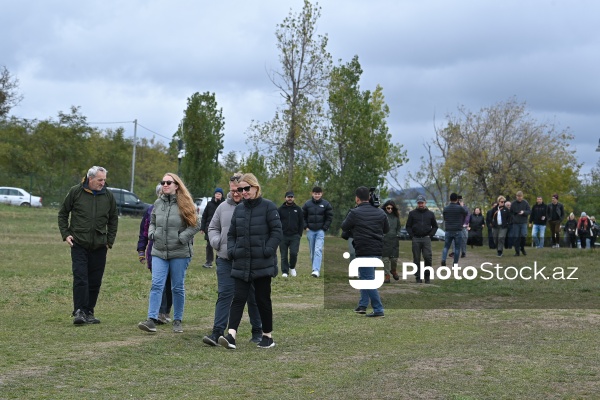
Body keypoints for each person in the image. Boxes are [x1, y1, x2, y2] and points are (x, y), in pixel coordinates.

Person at [218, 173, 282, 349]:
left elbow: (277, 232)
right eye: (240, 189)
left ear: (256, 188)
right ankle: (231, 336)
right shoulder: (239, 209)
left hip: (262, 263)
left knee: (262, 299)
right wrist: (232, 251)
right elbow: (232, 234)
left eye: (247, 188)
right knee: (238, 298)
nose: (244, 192)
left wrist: (267, 250)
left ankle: (267, 336)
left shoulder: (269, 207)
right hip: (241, 261)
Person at [202, 173, 263, 346]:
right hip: (225, 258)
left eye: (238, 190)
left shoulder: (253, 207)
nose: (235, 193)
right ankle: (216, 332)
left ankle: (257, 331)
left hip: (248, 260)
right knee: (225, 294)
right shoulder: (222, 207)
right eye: (232, 190)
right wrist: (216, 241)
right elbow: (212, 227)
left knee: (252, 296)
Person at [138, 173, 201, 334]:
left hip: (179, 252)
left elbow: (196, 224)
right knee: (156, 284)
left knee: (177, 287)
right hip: (159, 251)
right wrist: (152, 233)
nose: (165, 185)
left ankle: (177, 320)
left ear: (176, 185)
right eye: (163, 182)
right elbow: (151, 222)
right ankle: (151, 319)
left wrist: (182, 237)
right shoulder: (158, 203)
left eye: (168, 182)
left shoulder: (185, 203)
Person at [58, 166, 119, 325]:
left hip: (100, 245)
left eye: (104, 180)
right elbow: (63, 213)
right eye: (100, 180)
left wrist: (109, 241)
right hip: (79, 243)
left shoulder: (108, 195)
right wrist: (66, 234)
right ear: (90, 179)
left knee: (95, 280)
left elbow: (113, 219)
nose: (103, 183)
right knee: (80, 278)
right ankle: (79, 311)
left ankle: (89, 311)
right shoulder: (75, 192)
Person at [342, 186, 389, 317]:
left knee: (368, 280)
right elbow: (386, 229)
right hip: (377, 249)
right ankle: (362, 305)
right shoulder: (380, 212)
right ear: (369, 197)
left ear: (357, 198)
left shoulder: (355, 212)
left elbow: (344, 226)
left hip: (363, 249)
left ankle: (378, 309)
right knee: (365, 277)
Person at [137, 183, 172, 324]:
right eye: (160, 192)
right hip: (155, 251)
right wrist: (141, 249)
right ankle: (158, 312)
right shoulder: (151, 210)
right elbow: (144, 232)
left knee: (170, 284)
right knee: (158, 283)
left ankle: (166, 310)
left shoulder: (177, 209)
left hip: (173, 251)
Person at [405, 195, 438, 284]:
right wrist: (412, 235)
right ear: (417, 203)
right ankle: (418, 277)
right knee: (416, 259)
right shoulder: (412, 213)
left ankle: (427, 276)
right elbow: (408, 226)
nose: (420, 205)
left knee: (428, 257)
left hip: (426, 239)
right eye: (419, 203)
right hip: (416, 238)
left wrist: (430, 235)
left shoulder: (430, 214)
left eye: (422, 203)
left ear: (425, 203)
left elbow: (435, 226)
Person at [302, 186, 333, 278]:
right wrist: (305, 227)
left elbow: (329, 217)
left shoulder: (326, 204)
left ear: (321, 194)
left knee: (318, 250)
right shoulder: (307, 204)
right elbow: (302, 216)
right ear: (312, 194)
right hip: (310, 231)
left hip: (320, 231)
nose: (317, 195)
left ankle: (316, 270)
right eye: (315, 194)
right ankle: (314, 268)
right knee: (312, 252)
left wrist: (324, 228)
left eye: (319, 194)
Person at [278, 191, 304, 278]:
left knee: (293, 253)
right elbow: (277, 222)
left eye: (291, 197)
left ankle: (292, 267)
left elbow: (301, 222)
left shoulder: (298, 209)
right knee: (283, 255)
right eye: (288, 197)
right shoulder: (280, 209)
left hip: (295, 235)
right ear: (285, 198)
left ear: (293, 198)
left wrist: (299, 234)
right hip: (283, 235)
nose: (290, 198)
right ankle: (285, 271)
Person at [440, 193, 467, 267]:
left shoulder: (446, 208)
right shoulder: (459, 208)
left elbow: (445, 218)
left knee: (446, 246)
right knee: (457, 248)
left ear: (450, 199)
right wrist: (461, 206)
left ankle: (443, 259)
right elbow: (466, 213)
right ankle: (455, 263)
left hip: (448, 230)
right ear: (457, 199)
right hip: (457, 230)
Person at [201, 188, 224, 268]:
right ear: (214, 194)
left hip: (221, 228)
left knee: (220, 245)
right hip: (209, 227)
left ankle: (220, 262)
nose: (218, 195)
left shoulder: (224, 204)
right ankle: (209, 262)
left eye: (219, 194)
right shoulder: (209, 204)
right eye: (216, 193)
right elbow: (204, 216)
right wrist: (202, 228)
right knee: (209, 245)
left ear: (222, 195)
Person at [381, 200, 402, 283]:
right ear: (385, 208)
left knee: (394, 259)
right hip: (385, 240)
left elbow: (399, 227)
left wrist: (398, 234)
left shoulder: (396, 217)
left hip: (394, 240)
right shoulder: (382, 216)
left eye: (391, 208)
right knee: (385, 259)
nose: (390, 209)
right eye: (388, 208)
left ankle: (393, 270)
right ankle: (387, 275)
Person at [510, 191, 531, 256]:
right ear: (516, 196)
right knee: (516, 237)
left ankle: (522, 248)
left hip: (523, 222)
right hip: (515, 223)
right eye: (518, 196)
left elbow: (529, 211)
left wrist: (524, 212)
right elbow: (510, 213)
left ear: (522, 196)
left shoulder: (525, 203)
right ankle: (517, 251)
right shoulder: (513, 203)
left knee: (523, 236)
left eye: (520, 196)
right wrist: (514, 217)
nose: (519, 198)